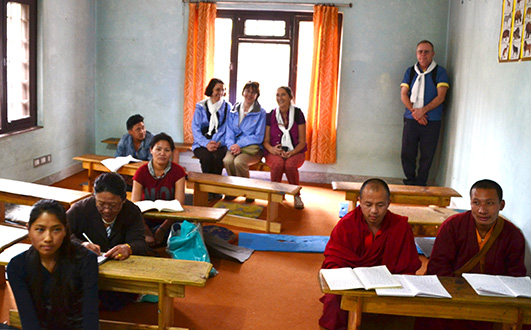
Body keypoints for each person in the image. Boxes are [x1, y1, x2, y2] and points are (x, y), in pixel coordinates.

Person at [416, 179, 527, 330]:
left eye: (489, 203)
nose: (482, 210)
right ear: (470, 203)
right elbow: (438, 267)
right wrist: (462, 295)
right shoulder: (453, 226)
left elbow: (516, 276)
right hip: (453, 297)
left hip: (492, 302)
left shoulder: (513, 235)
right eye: (476, 203)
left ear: (501, 205)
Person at [319, 178, 421, 330]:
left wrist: (396, 283)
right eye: (368, 205)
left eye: (380, 205)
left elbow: (408, 267)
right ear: (359, 201)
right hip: (353, 285)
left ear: (388, 203)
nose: (374, 211)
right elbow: (333, 261)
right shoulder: (347, 225)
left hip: (389, 285)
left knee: (411, 308)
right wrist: (346, 279)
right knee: (334, 300)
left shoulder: (400, 227)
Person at [7, 199, 99, 329]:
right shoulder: (17, 266)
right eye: (40, 229)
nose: (48, 238)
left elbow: (90, 316)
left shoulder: (85, 260)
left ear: (65, 230)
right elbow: (29, 320)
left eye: (56, 230)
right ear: (29, 229)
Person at [400, 40, 449, 186]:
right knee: (407, 153)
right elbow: (403, 94)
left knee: (427, 155)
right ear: (416, 54)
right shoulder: (410, 72)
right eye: (420, 51)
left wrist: (423, 111)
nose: (423, 55)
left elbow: (441, 96)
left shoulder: (440, 72)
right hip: (411, 119)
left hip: (432, 121)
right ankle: (410, 181)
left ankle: (421, 183)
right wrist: (415, 113)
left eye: (427, 51)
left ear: (433, 54)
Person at [132, 132, 187, 246]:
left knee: (183, 234)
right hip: (144, 220)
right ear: (151, 150)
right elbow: (134, 204)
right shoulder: (141, 172)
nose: (162, 153)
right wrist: (146, 231)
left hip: (170, 220)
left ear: (171, 152)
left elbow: (179, 204)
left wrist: (161, 229)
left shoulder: (178, 172)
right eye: (158, 149)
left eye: (167, 150)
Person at [263, 86, 306, 209]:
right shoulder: (271, 114)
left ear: (290, 97)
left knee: (290, 165)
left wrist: (292, 153)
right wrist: (273, 150)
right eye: (277, 95)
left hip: (296, 151)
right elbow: (266, 141)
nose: (279, 98)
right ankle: (274, 194)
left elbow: (302, 142)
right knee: (277, 164)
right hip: (274, 152)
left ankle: (296, 195)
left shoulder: (298, 114)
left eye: (283, 95)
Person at [223, 81, 266, 201]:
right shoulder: (233, 109)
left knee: (239, 162)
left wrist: (239, 144)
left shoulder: (260, 112)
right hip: (234, 146)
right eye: (248, 91)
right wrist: (232, 145)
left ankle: (248, 191)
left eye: (253, 92)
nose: (250, 94)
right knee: (227, 160)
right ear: (243, 92)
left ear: (257, 95)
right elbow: (229, 130)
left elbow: (258, 136)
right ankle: (234, 190)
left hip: (252, 148)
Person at [192, 78, 232, 177]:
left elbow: (229, 129)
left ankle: (216, 189)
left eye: (223, 90)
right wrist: (206, 143)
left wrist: (218, 143)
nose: (221, 93)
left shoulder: (228, 107)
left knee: (217, 157)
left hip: (220, 143)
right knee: (206, 157)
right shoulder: (200, 106)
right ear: (211, 90)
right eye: (218, 90)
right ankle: (208, 189)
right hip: (202, 143)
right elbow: (195, 128)